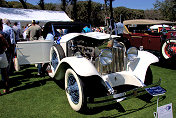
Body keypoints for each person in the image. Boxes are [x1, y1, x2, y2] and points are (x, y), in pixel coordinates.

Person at [0, 18, 10, 94]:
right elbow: (7, 45)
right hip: (2, 54)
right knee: (4, 72)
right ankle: (6, 89)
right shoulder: (3, 34)